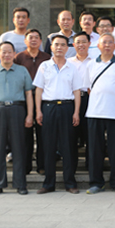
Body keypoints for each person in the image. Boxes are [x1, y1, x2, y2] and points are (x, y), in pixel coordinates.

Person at [0, 42, 33, 196]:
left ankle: (20, 184)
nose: (7, 55)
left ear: (14, 54)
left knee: (19, 148)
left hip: (18, 109)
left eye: (9, 52)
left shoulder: (22, 71)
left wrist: (30, 115)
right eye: (3, 52)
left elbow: (29, 94)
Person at [33, 35, 82, 194]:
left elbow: (77, 91)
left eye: (62, 45)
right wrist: (38, 110)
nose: (59, 47)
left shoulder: (72, 67)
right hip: (49, 107)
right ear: (51, 47)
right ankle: (48, 183)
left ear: (67, 48)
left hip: (67, 107)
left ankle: (70, 183)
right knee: (48, 146)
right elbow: (39, 90)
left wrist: (76, 112)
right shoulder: (44, 66)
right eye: (56, 45)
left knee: (68, 146)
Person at [85, 33, 115, 194]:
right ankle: (96, 183)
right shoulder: (91, 64)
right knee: (95, 149)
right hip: (95, 112)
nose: (107, 45)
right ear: (98, 45)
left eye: (110, 42)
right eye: (104, 42)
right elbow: (89, 88)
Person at [14, 28, 50, 174]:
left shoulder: (47, 58)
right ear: (25, 41)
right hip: (24, 100)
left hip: (43, 99)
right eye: (30, 37)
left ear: (41, 41)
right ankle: (26, 166)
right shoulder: (19, 58)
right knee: (25, 135)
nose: (33, 40)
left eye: (36, 37)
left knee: (43, 134)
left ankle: (42, 166)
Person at [68, 32, 92, 168]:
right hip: (72, 100)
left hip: (90, 99)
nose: (81, 45)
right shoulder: (68, 62)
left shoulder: (95, 61)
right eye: (78, 42)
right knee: (72, 134)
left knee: (90, 134)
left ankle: (90, 165)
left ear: (89, 44)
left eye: (84, 42)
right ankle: (72, 165)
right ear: (73, 45)